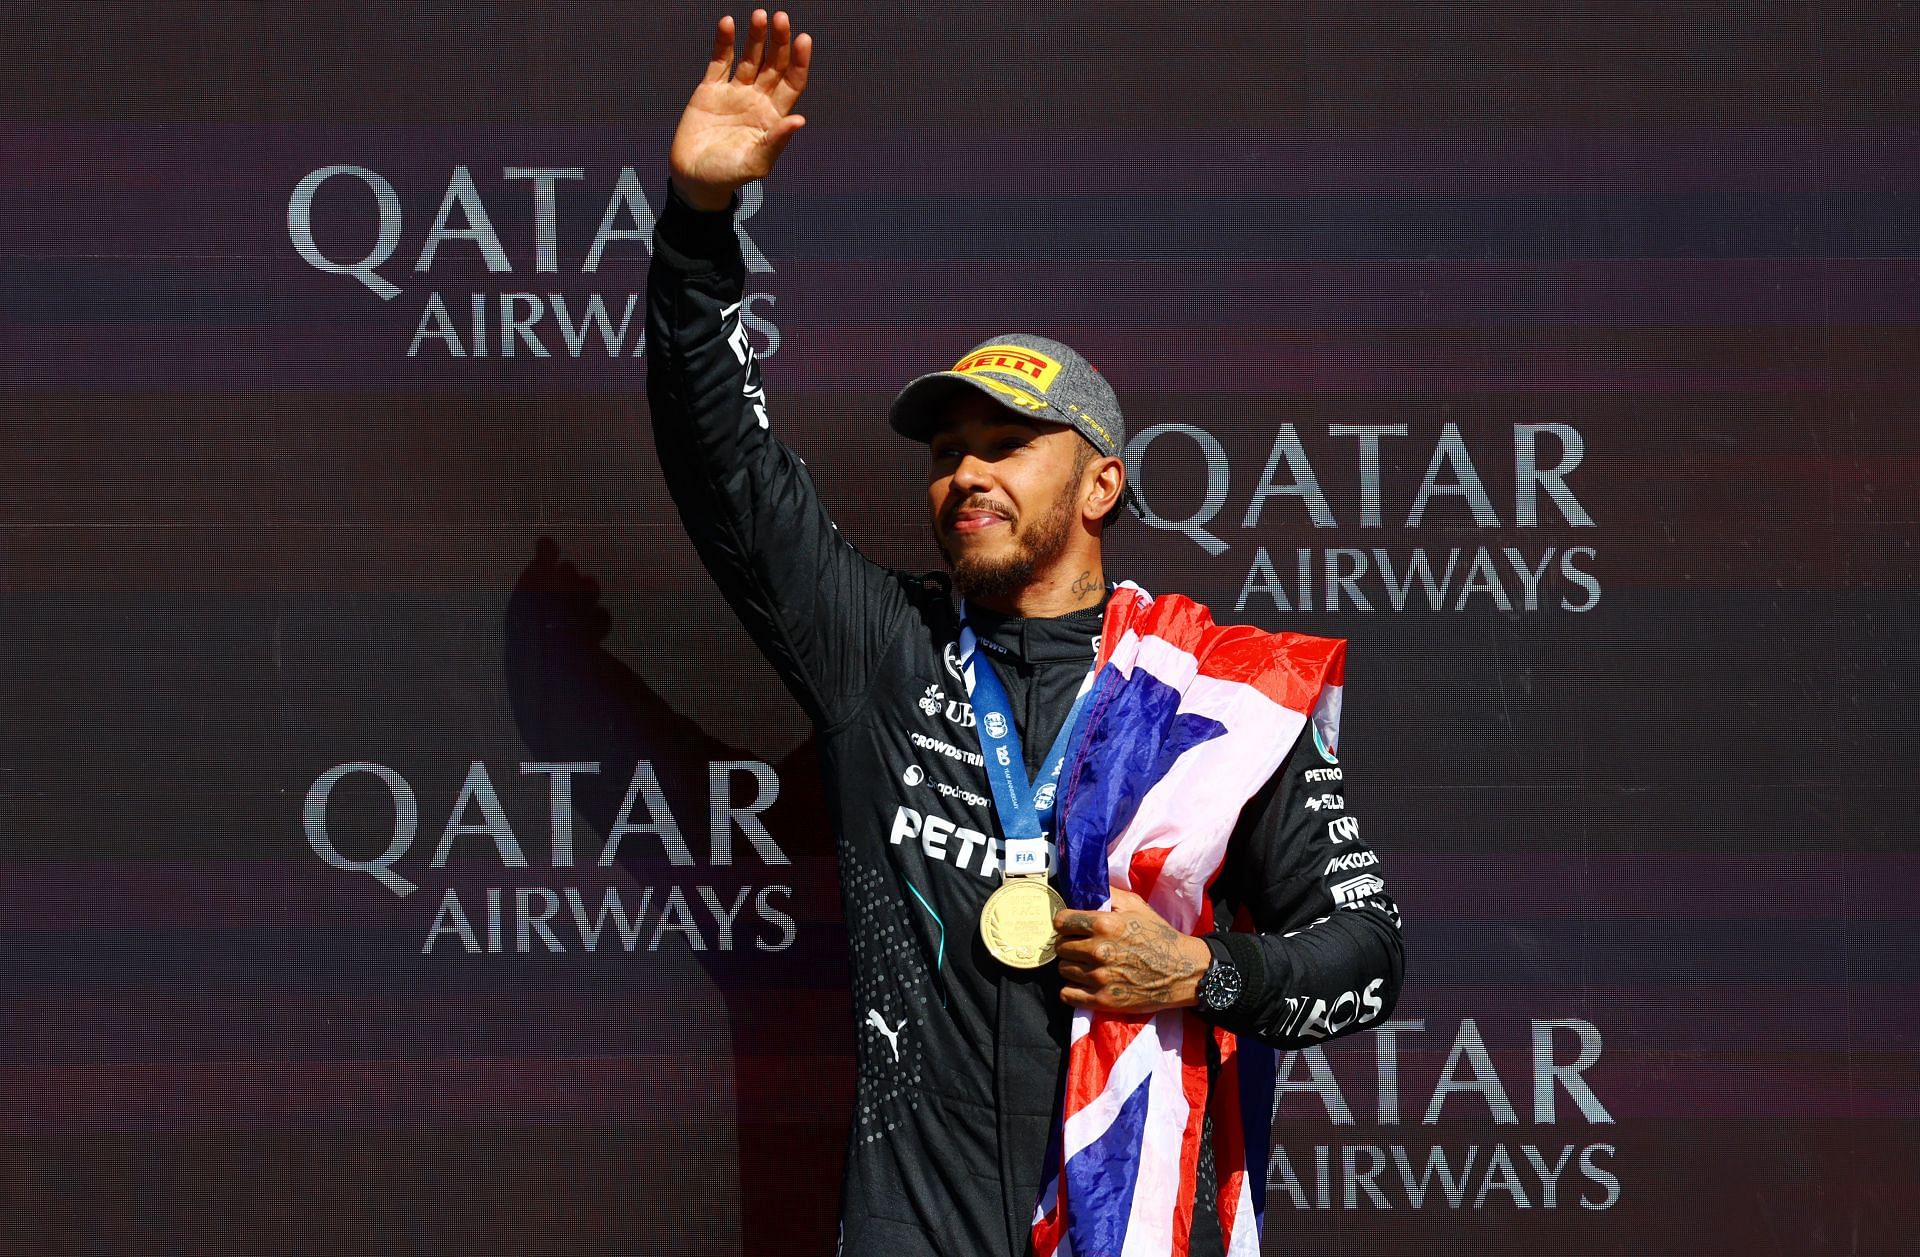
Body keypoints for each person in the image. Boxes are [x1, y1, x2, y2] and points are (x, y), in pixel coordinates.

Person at [646, 11, 1405, 1255]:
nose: (965, 474)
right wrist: (697, 229)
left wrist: (1203, 977)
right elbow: (720, 461)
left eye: (1006, 446)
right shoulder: (882, 652)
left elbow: (1370, 953)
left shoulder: (1218, 705)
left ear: (1100, 485)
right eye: (947, 454)